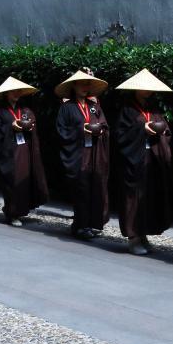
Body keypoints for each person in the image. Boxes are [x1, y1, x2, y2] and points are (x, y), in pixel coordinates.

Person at [113, 69, 173, 255]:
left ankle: (144, 235)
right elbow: (121, 136)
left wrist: (162, 131)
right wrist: (142, 128)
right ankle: (133, 238)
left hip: (151, 161)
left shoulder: (154, 110)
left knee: (149, 198)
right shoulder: (127, 110)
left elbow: (167, 131)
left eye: (150, 89)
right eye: (144, 88)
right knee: (133, 199)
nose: (147, 91)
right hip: (133, 162)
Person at [55, 69, 110, 240]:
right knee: (81, 190)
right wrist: (81, 130)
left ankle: (93, 224)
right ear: (74, 85)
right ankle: (80, 226)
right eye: (82, 83)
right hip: (78, 155)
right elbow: (61, 131)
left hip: (95, 154)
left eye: (88, 84)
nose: (85, 87)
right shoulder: (67, 108)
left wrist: (100, 129)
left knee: (96, 188)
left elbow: (105, 126)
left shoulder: (94, 107)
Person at [0, 76, 48, 226]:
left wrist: (30, 126)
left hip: (25, 152)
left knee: (24, 181)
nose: (16, 93)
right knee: (11, 183)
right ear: (6, 93)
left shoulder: (25, 110)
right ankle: (12, 213)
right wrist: (10, 127)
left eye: (18, 90)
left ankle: (21, 211)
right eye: (12, 91)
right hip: (9, 153)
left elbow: (32, 125)